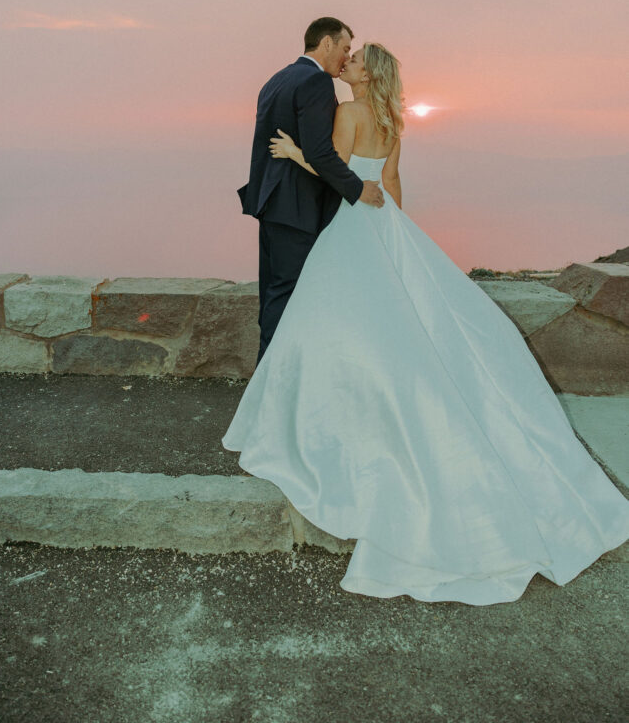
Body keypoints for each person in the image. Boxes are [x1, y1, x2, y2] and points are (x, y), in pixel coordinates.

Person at [223, 41, 629, 605]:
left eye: (358, 62)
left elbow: (335, 170)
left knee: (333, 328)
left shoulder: (350, 112)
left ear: (370, 76)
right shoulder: (391, 121)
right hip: (388, 225)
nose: (350, 65)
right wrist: (400, 240)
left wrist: (294, 155)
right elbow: (390, 187)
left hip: (353, 230)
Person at [238, 16, 384, 365]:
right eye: (345, 48)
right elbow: (321, 153)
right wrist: (356, 188)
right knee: (290, 296)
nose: (346, 57)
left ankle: (269, 376)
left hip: (271, 204)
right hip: (298, 208)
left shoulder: (276, 79)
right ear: (327, 43)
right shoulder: (317, 81)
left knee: (273, 295)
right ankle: (272, 380)